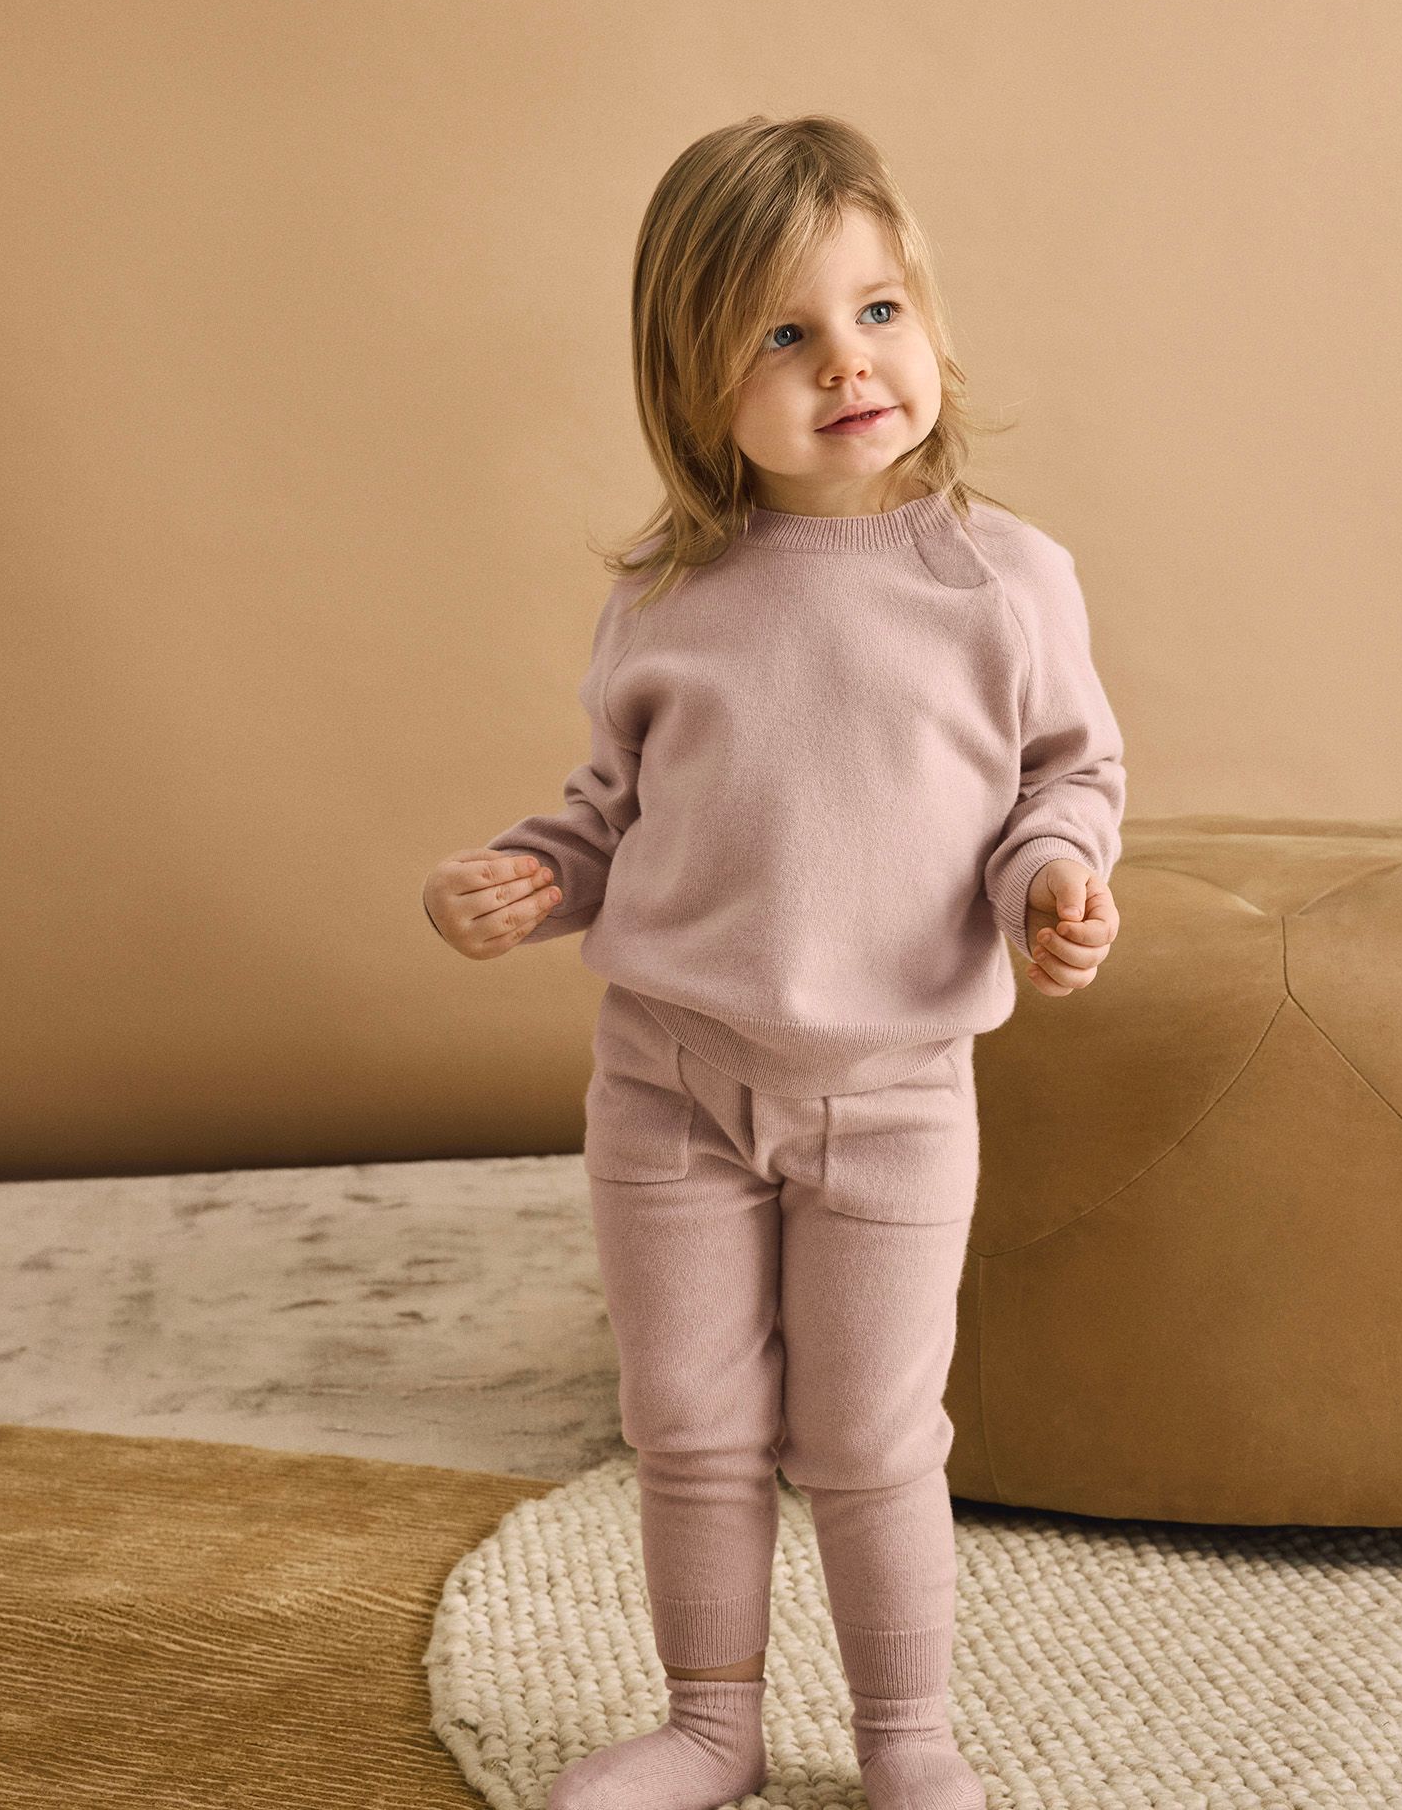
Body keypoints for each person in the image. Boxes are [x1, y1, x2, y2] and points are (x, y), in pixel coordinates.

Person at [424, 113, 1126, 1810]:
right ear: (694, 381)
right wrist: (529, 874)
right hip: (668, 1081)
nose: (847, 364)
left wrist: (1053, 880)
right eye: (784, 334)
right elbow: (611, 809)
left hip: (890, 1096)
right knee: (690, 1426)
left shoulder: (1002, 581)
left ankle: (907, 1746)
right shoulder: (671, 594)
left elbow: (1068, 777)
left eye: (878, 312)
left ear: (932, 326)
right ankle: (711, 1728)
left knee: (875, 1440)